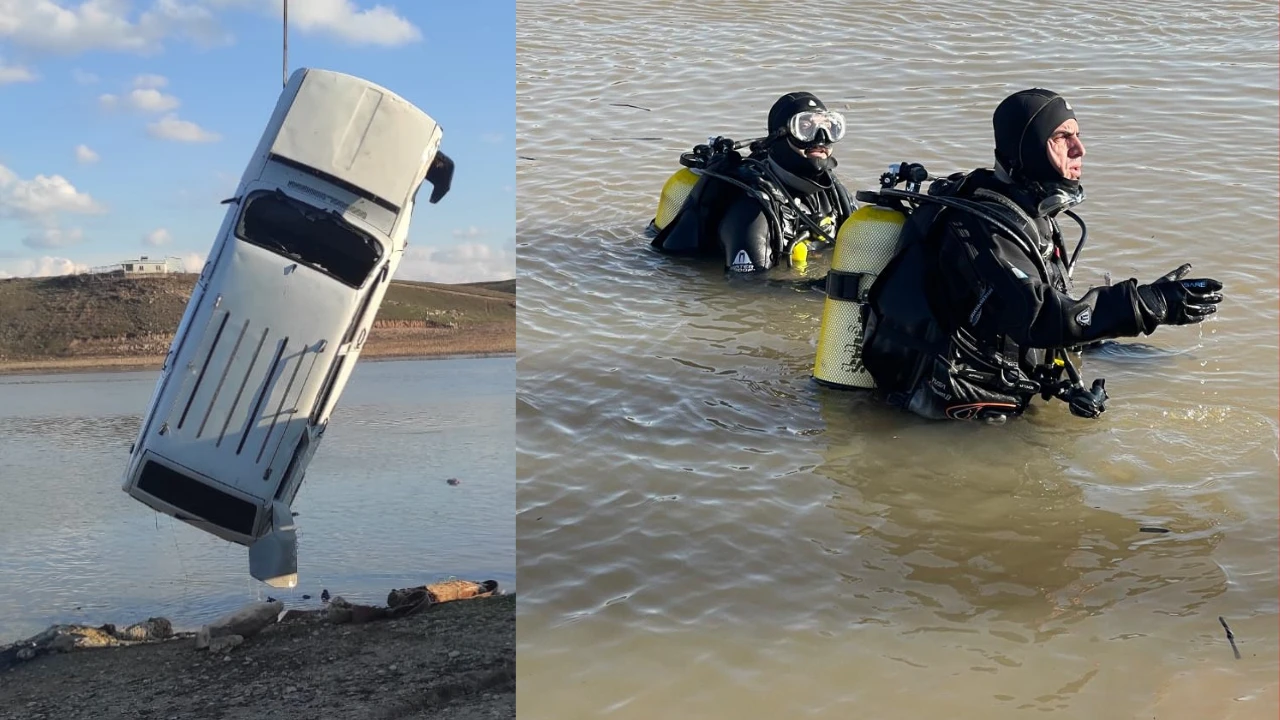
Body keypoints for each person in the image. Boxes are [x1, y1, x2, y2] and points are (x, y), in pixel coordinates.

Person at [859, 88, 1224, 421]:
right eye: (1062, 137)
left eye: (1078, 135)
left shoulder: (1029, 213)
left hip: (995, 396)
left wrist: (1069, 384)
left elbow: (1038, 318)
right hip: (943, 419)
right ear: (1027, 147)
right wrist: (1144, 304)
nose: (1080, 149)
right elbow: (1039, 316)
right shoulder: (980, 230)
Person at [649, 92, 855, 273]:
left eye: (828, 126)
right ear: (780, 135)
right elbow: (748, 288)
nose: (820, 138)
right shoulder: (752, 210)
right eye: (805, 127)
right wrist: (826, 289)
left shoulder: (833, 193)